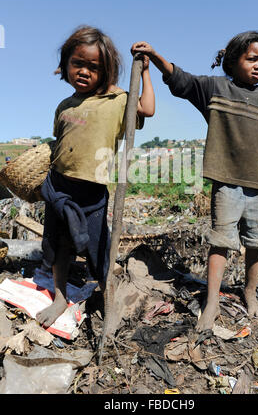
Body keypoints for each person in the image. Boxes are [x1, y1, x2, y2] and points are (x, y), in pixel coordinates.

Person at [131, 31, 258, 332]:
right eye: (252, 59)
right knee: (220, 243)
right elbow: (182, 81)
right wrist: (155, 57)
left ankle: (249, 291)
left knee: (257, 244)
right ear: (233, 62)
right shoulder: (216, 89)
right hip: (227, 182)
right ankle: (211, 301)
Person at [36, 25, 155, 328]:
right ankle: (60, 296)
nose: (85, 72)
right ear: (65, 66)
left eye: (94, 67)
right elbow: (59, 148)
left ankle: (108, 298)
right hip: (60, 189)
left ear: (107, 72)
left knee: (99, 250)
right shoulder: (64, 106)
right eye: (78, 63)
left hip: (92, 193)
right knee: (58, 245)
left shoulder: (117, 101)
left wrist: (144, 73)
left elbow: (148, 109)